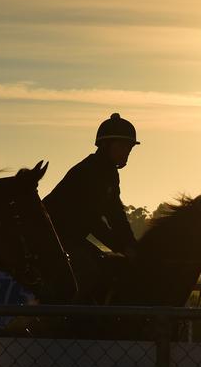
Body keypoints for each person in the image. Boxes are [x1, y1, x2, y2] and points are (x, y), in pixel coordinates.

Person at [43, 113, 138, 300]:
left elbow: (116, 215)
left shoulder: (109, 173)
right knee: (88, 270)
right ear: (105, 146)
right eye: (122, 147)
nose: (126, 152)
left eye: (129, 148)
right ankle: (62, 316)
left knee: (104, 266)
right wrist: (123, 247)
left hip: (70, 236)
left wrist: (131, 245)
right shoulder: (90, 171)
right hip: (53, 235)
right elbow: (93, 220)